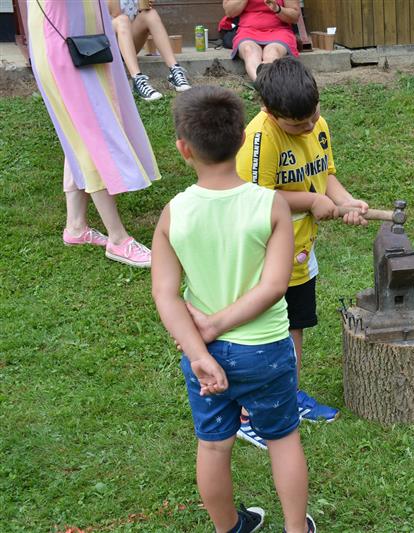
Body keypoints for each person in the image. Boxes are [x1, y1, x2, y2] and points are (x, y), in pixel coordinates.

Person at [151, 85, 316, 533]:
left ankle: (229, 529)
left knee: (213, 447)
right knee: (282, 440)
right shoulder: (271, 205)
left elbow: (165, 294)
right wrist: (219, 327)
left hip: (201, 350)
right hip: (263, 349)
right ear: (243, 138)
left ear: (184, 149)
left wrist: (201, 353)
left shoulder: (173, 213)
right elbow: (274, 286)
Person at [232, 56, 369, 448]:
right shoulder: (260, 138)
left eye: (313, 116)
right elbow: (255, 198)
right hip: (263, 255)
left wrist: (346, 201)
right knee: (262, 336)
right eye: (298, 124)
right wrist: (310, 202)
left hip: (301, 253)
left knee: (294, 327)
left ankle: (285, 398)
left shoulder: (316, 125)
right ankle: (247, 414)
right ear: (268, 111)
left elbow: (325, 175)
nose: (309, 126)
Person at [26, 0, 158, 268]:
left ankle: (75, 226)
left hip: (84, 41)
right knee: (91, 135)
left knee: (78, 132)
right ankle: (118, 239)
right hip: (63, 46)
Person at [107, 0, 191, 101]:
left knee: (150, 14)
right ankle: (137, 79)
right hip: (108, 47)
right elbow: (115, 13)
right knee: (122, 20)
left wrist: (143, 5)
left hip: (127, 46)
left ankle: (175, 70)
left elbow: (140, 10)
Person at [222, 0, 301, 81]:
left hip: (279, 30)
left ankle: (264, 84)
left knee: (272, 52)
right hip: (247, 31)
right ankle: (262, 84)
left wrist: (278, 8)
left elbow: (294, 17)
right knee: (249, 50)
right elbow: (229, 12)